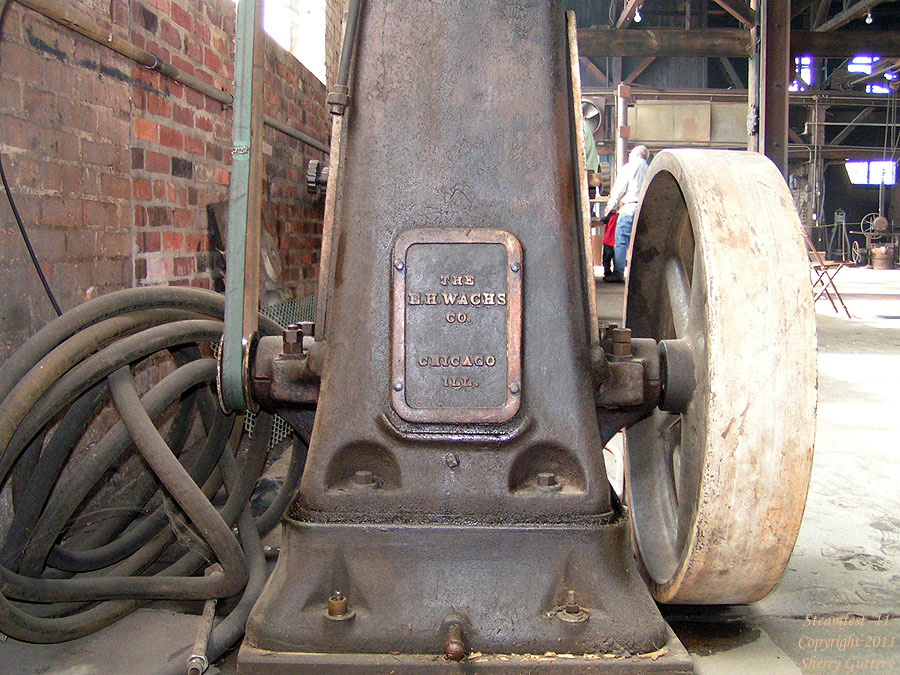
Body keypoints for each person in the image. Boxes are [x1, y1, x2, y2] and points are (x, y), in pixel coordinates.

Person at [604, 145, 649, 282]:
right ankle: (640, 277)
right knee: (641, 243)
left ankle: (618, 274)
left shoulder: (629, 167)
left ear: (635, 155)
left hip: (629, 208)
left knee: (621, 242)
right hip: (644, 209)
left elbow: (619, 190)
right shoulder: (650, 168)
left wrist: (610, 208)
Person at [600, 210, 618, 279]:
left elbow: (602, 221)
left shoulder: (610, 216)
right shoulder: (619, 217)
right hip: (616, 242)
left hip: (608, 241)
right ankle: (616, 273)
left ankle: (607, 273)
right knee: (615, 259)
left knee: (606, 259)